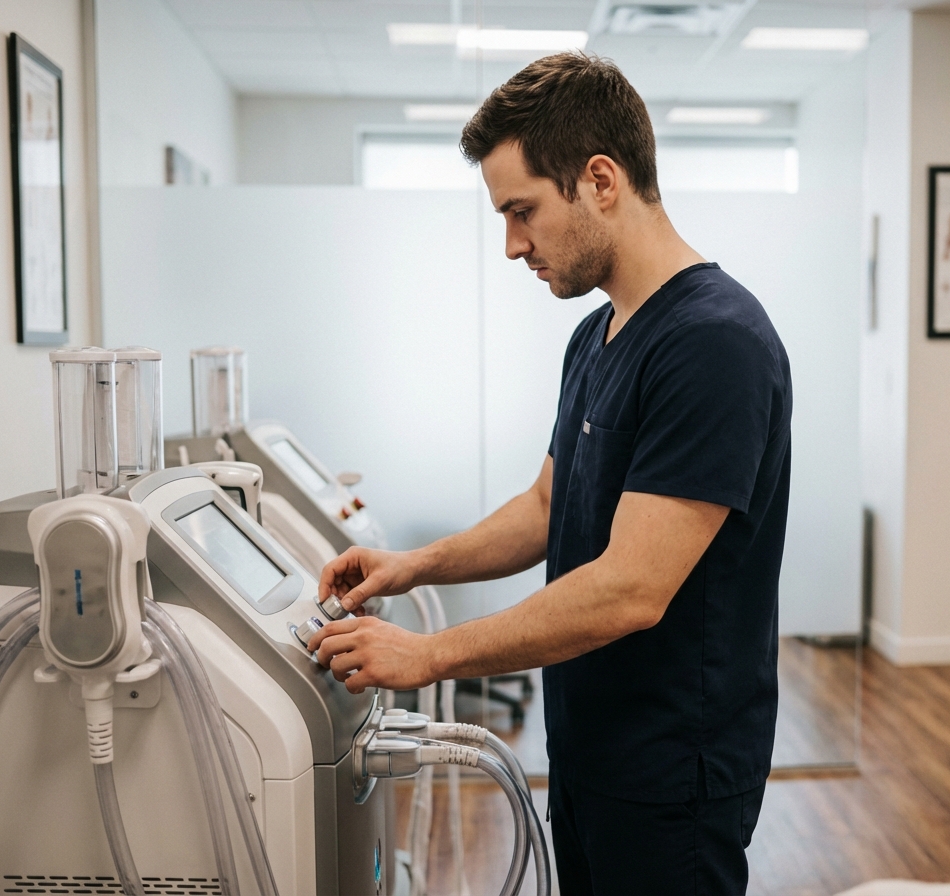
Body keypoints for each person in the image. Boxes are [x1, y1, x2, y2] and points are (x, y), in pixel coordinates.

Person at [308, 52, 793, 895]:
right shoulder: (597, 336)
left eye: (522, 211)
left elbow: (631, 589)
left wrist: (429, 656)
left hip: (673, 771)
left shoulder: (714, 342)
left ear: (600, 179)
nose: (512, 245)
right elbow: (546, 506)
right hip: (590, 746)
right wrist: (413, 565)